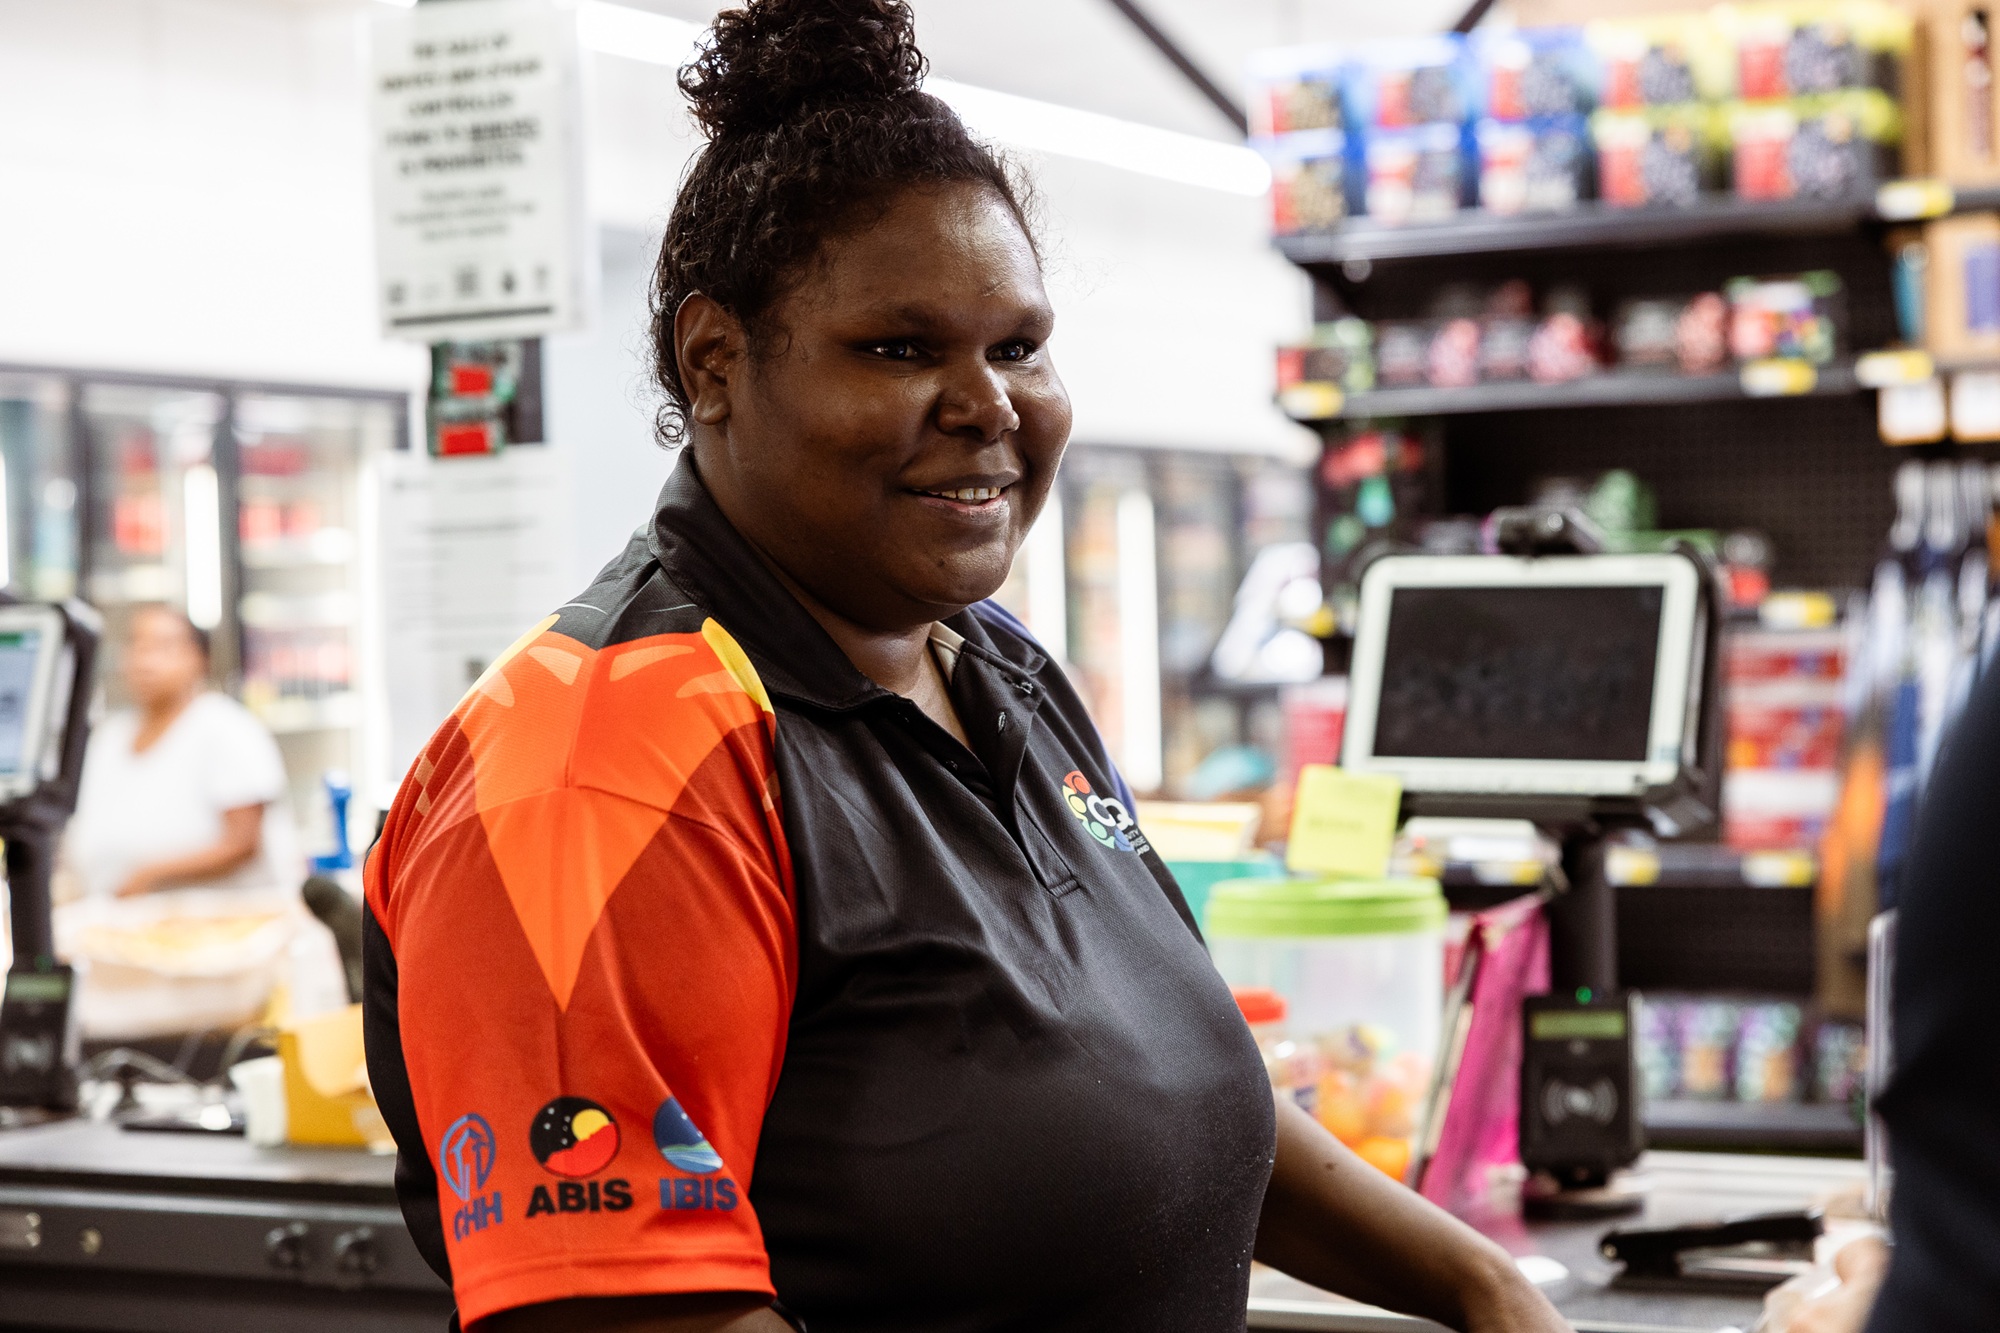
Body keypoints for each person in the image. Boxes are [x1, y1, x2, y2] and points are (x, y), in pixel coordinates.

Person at [362, 5, 1570, 1331]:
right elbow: (630, 1316)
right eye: (899, 349)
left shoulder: (998, 672)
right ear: (715, 362)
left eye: (1016, 347)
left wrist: (1485, 1285)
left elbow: (1163, 1085)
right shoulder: (603, 768)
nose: (988, 405)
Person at [68, 604, 301, 903]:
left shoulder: (225, 728)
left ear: (200, 659)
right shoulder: (109, 738)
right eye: (136, 645)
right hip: (120, 925)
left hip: (225, 927)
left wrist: (147, 875)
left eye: (163, 647)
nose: (145, 659)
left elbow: (243, 842)